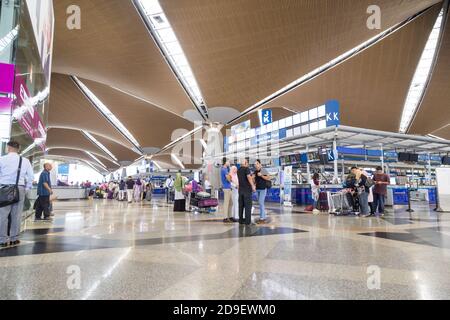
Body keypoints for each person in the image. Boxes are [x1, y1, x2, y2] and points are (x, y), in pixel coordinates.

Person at [0, 141, 34, 247]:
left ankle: (3, 240)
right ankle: (14, 238)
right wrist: (26, 188)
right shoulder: (25, 161)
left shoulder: (2, 159)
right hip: (19, 188)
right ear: (18, 149)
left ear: (8, 148)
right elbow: (31, 176)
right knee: (16, 215)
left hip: (4, 188)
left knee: (2, 215)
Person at [237, 158, 256, 226]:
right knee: (248, 206)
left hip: (240, 190)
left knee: (241, 206)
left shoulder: (238, 170)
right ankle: (248, 222)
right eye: (247, 162)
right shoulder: (246, 169)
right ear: (245, 163)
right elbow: (248, 177)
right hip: (247, 190)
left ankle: (241, 220)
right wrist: (253, 186)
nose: (248, 164)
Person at [254, 159, 271, 224]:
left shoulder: (263, 170)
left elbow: (268, 178)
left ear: (260, 164)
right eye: (255, 164)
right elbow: (255, 180)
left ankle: (262, 217)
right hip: (257, 189)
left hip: (263, 189)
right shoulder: (255, 171)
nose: (256, 165)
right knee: (260, 203)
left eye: (257, 164)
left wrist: (261, 175)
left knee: (261, 202)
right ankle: (263, 216)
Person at [221, 158, 233, 223]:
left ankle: (230, 216)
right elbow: (229, 179)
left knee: (231, 203)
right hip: (226, 188)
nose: (229, 162)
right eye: (228, 161)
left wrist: (230, 177)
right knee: (226, 203)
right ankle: (225, 217)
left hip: (229, 187)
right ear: (225, 162)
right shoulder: (223, 169)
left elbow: (230, 177)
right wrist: (230, 177)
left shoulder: (227, 169)